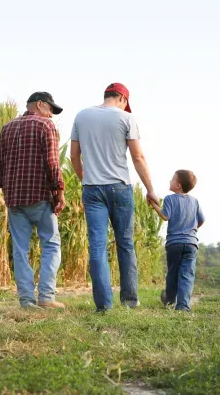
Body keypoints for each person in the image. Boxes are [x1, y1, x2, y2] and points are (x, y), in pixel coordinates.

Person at [70, 83, 157, 312]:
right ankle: (129, 301)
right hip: (120, 187)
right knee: (125, 244)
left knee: (97, 247)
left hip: (92, 189)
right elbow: (138, 157)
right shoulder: (126, 119)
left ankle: (104, 305)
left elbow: (74, 157)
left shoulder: (82, 116)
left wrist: (85, 179)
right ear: (122, 98)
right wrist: (150, 189)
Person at [0, 91, 66, 310]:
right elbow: (53, 163)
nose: (52, 115)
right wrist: (59, 191)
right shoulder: (45, 126)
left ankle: (26, 300)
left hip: (15, 198)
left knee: (20, 249)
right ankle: (46, 296)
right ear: (40, 105)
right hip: (39, 196)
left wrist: (4, 187)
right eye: (50, 110)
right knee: (51, 245)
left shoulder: (6, 128)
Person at [151, 170, 205, 312]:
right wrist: (191, 231)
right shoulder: (194, 201)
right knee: (187, 275)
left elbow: (165, 216)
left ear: (178, 186)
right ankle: (183, 306)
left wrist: (154, 205)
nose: (170, 181)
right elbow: (201, 220)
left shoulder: (170, 199)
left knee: (173, 273)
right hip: (191, 243)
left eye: (172, 179)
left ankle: (169, 300)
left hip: (174, 243)